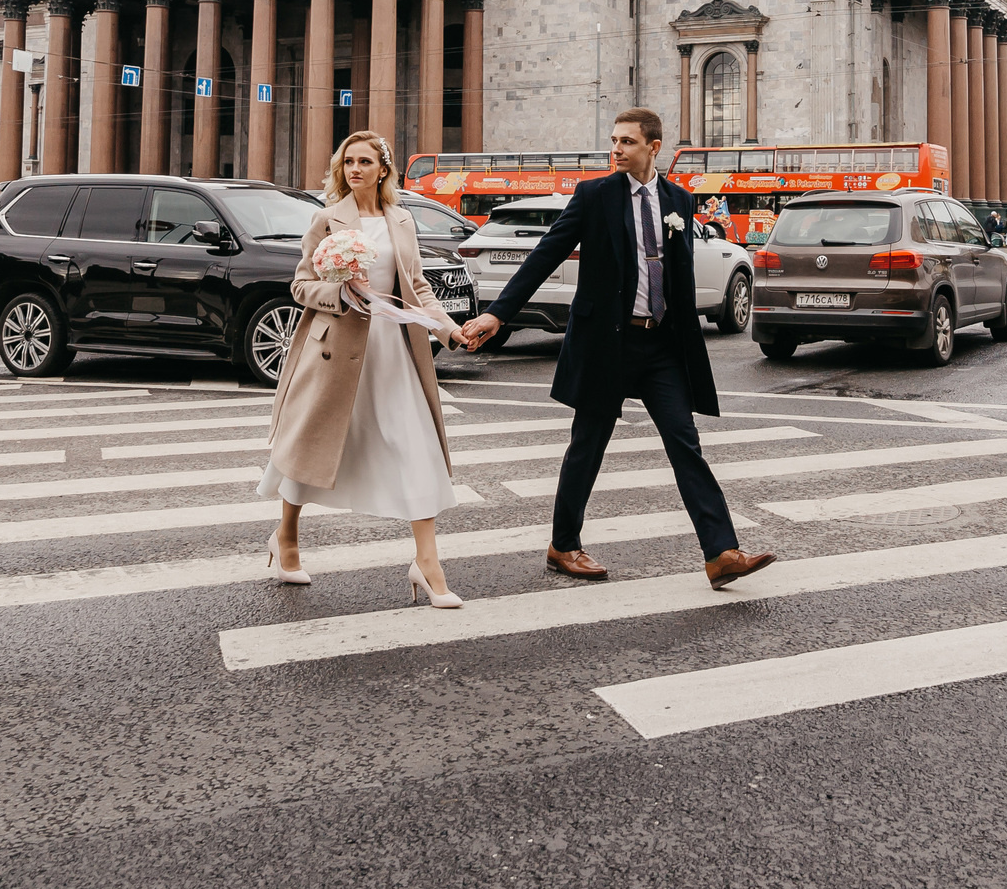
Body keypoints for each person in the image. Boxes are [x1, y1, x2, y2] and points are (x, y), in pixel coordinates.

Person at [459, 108, 776, 589]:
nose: (616, 149)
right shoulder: (595, 196)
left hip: (661, 344)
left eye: (626, 141)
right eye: (613, 140)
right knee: (587, 445)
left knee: (685, 443)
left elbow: (677, 272)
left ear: (654, 146)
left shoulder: (678, 200)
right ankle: (563, 546)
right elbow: (547, 253)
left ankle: (720, 552)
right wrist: (498, 313)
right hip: (608, 342)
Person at [258, 130, 466, 605]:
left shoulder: (403, 221)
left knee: (416, 447)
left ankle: (427, 563)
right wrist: (339, 294)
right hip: (335, 354)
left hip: (393, 353)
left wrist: (448, 330)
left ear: (383, 170)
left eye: (365, 162)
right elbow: (300, 285)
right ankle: (285, 537)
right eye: (348, 162)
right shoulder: (327, 219)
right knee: (315, 446)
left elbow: (417, 288)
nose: (355, 170)